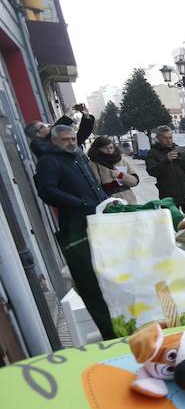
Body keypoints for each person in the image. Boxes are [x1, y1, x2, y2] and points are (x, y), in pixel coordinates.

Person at [34, 123, 112, 338]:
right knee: (91, 283)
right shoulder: (49, 161)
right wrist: (80, 203)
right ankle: (109, 332)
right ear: (54, 141)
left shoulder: (78, 157)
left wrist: (105, 202)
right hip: (77, 229)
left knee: (109, 277)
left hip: (98, 223)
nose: (70, 143)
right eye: (65, 140)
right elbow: (47, 191)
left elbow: (94, 186)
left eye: (73, 139)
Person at [145, 126, 185, 211]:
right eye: (165, 138)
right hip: (168, 195)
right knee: (172, 220)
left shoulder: (179, 149)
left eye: (170, 137)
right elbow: (152, 171)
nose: (168, 140)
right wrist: (166, 160)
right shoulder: (153, 153)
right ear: (158, 138)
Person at [87, 136, 140, 205]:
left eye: (111, 147)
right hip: (109, 202)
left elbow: (134, 181)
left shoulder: (121, 160)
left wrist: (121, 175)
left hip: (128, 200)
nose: (109, 150)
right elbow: (95, 185)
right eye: (105, 148)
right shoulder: (94, 163)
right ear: (98, 149)